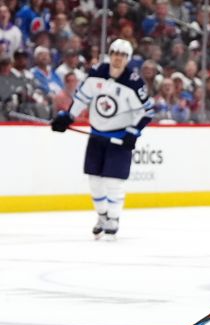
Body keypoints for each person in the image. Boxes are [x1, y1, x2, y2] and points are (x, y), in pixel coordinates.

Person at [51, 39, 154, 238]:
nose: (118, 57)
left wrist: (133, 132)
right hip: (97, 135)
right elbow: (81, 98)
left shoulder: (134, 82)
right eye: (115, 52)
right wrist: (68, 116)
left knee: (113, 181)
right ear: (109, 53)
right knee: (95, 180)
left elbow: (145, 112)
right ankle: (102, 216)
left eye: (123, 55)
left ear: (128, 58)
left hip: (118, 137)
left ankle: (114, 218)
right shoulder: (97, 72)